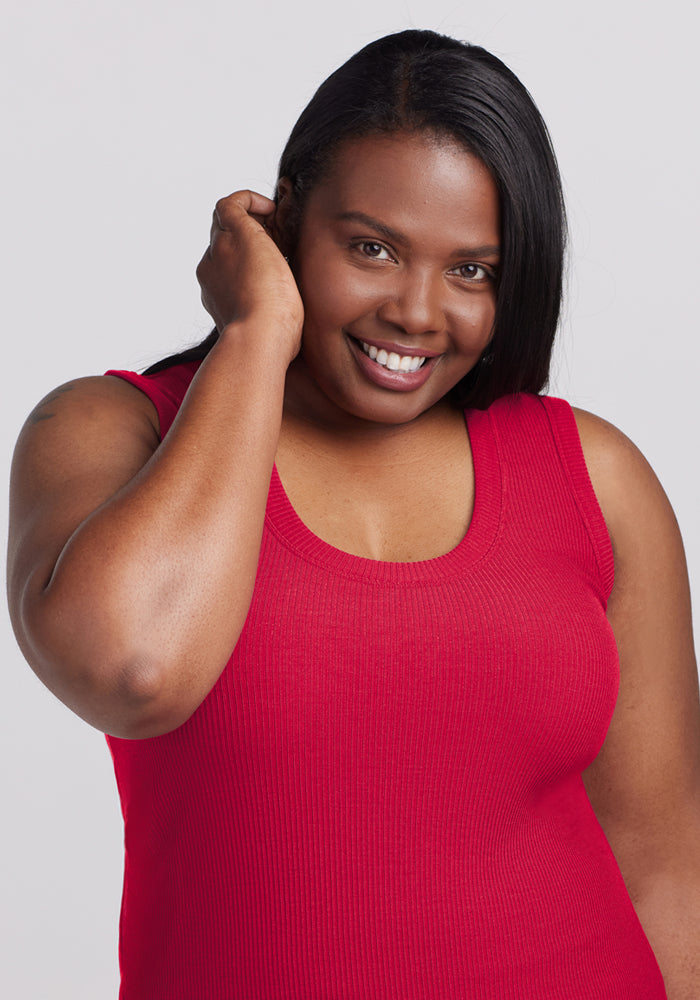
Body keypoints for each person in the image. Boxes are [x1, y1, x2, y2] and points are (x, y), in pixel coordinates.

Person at [7, 28, 700, 999]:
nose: (418, 312)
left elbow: (664, 865)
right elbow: (133, 668)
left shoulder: (593, 475)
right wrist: (255, 334)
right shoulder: (111, 433)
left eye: (472, 270)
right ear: (283, 223)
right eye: (371, 248)